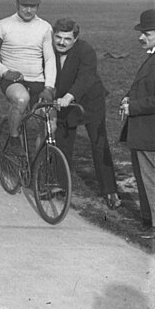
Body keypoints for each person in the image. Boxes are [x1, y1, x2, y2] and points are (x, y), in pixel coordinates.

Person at [51, 18, 121, 210]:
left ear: (76, 38)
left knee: (99, 143)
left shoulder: (85, 50)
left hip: (90, 100)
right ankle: (60, 185)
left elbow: (86, 77)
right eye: (58, 37)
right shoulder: (49, 50)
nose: (61, 43)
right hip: (64, 102)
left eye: (67, 38)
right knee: (63, 140)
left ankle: (109, 190)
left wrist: (69, 96)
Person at [0, 0, 56, 158]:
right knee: (21, 99)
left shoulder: (45, 27)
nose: (29, 10)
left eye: (33, 7)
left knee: (50, 124)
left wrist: (49, 87)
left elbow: (50, 58)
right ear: (17, 3)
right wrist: (4, 72)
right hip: (13, 81)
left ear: (38, 6)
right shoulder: (2, 25)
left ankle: (38, 164)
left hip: (37, 81)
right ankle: (14, 139)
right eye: (25, 6)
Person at [120, 9, 155, 240]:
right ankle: (150, 221)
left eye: (146, 33)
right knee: (145, 177)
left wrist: (132, 107)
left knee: (154, 178)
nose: (141, 37)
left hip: (152, 132)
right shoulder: (154, 56)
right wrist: (128, 96)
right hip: (144, 132)